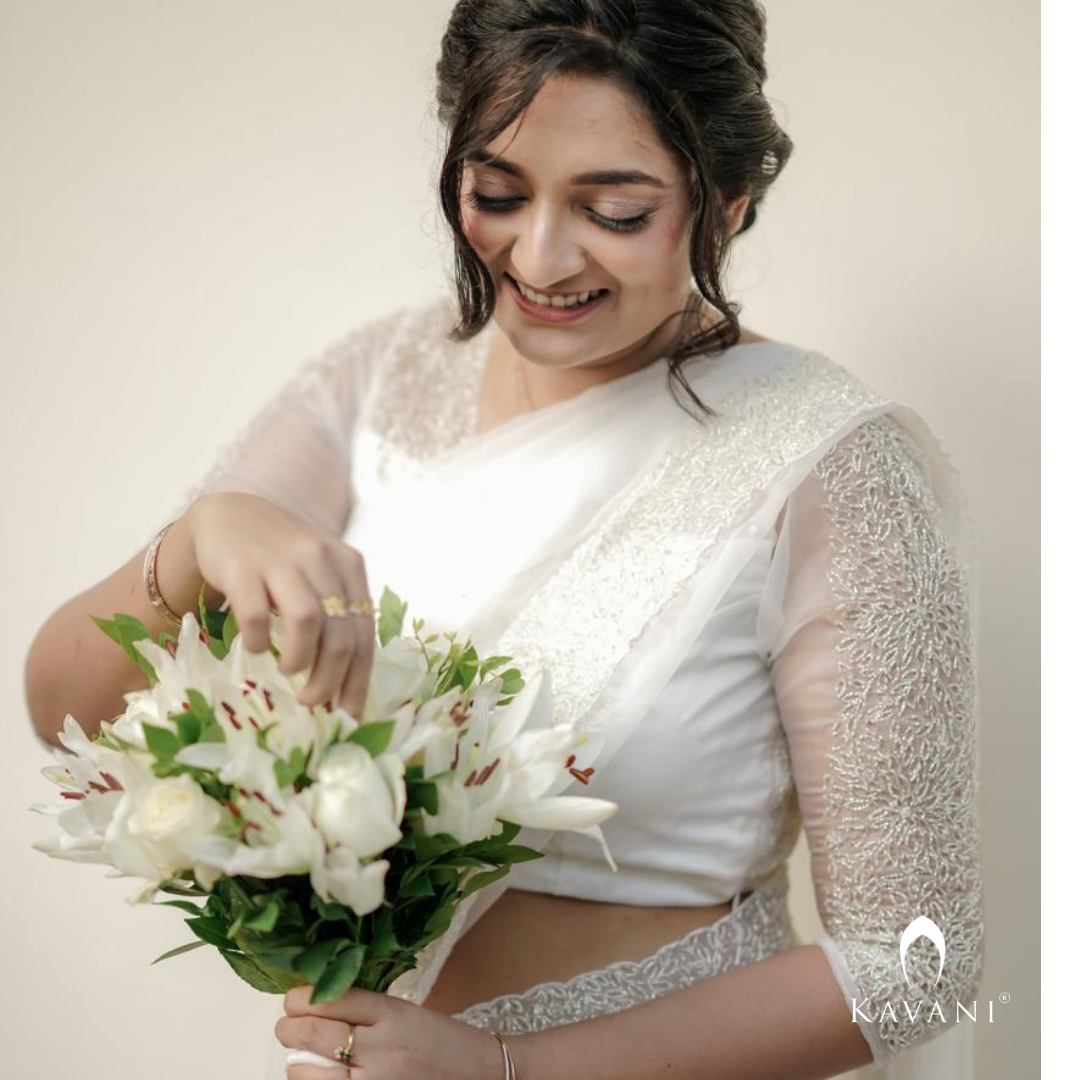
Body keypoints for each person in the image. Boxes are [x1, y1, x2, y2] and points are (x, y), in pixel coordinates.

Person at [23, 3, 985, 1079]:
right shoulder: (382, 378)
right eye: (496, 193)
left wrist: (503, 1070)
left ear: (726, 203)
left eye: (613, 209)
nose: (538, 254)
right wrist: (201, 539)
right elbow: (74, 720)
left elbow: (916, 962)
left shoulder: (830, 464)